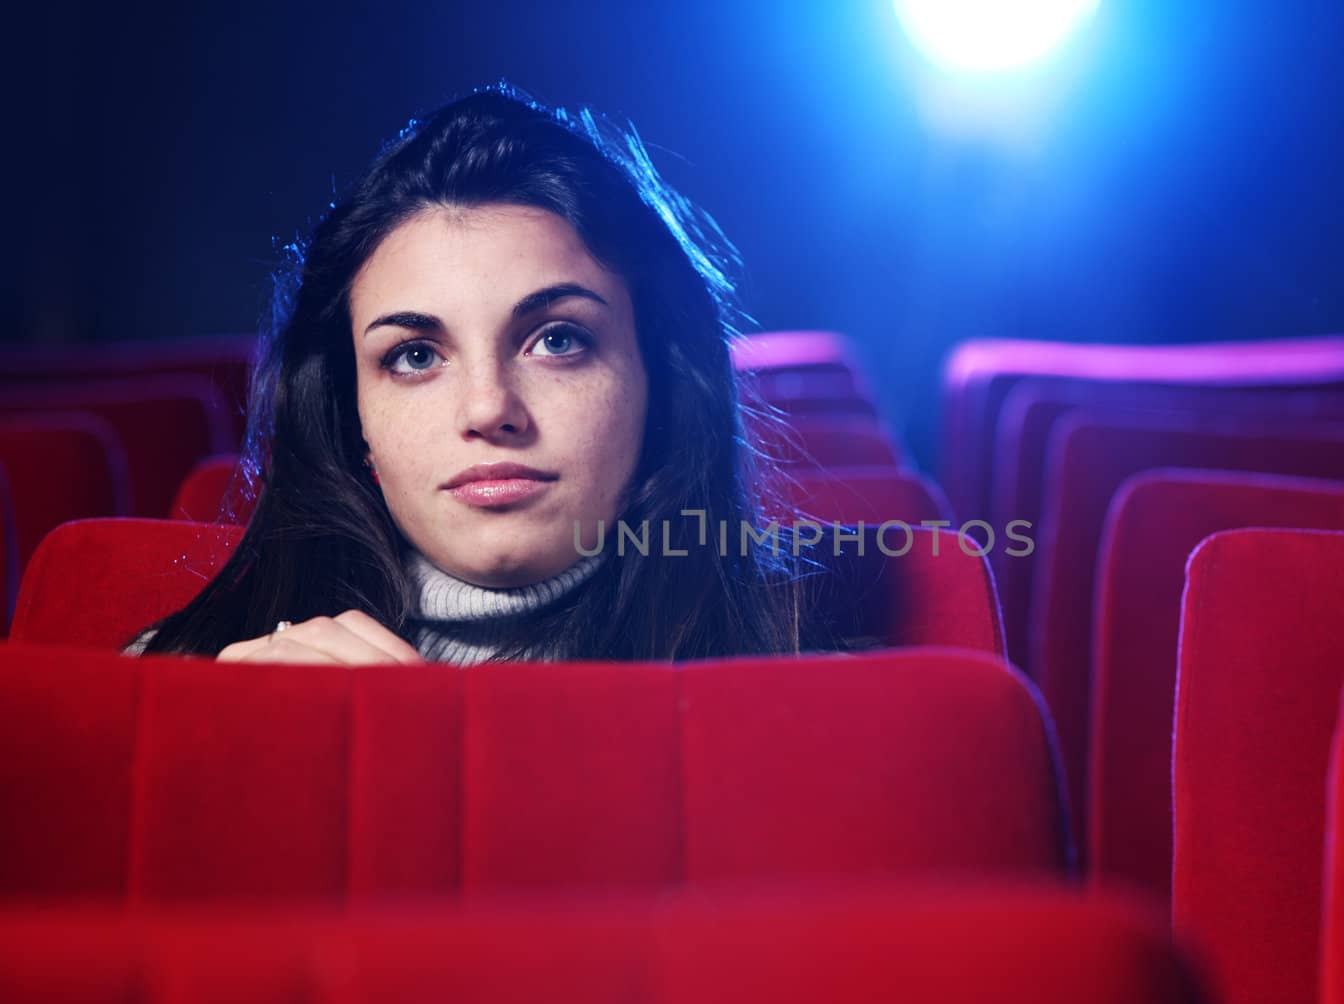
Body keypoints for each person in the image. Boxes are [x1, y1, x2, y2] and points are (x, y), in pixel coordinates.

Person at [132, 82, 837, 665]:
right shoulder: (182, 677)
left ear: (658, 382)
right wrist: (220, 747)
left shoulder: (815, 686)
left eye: (557, 340)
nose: (489, 407)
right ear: (353, 419)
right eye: (414, 356)